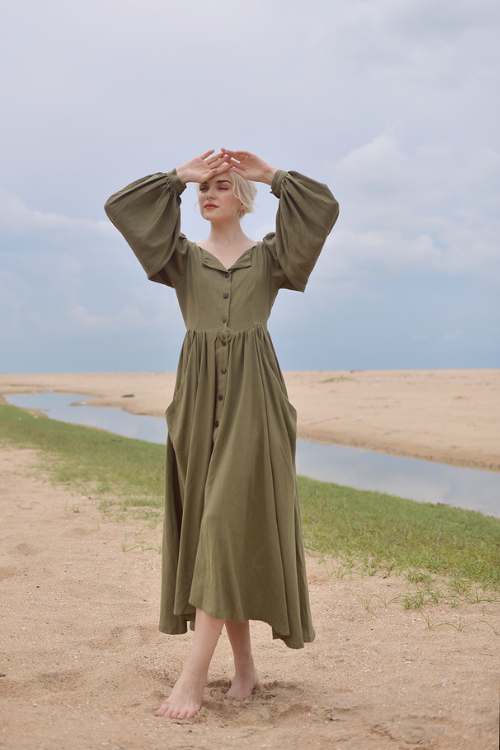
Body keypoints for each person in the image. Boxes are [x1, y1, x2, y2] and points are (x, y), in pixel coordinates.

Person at [104, 149, 339, 719]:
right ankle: (247, 671)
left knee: (222, 526)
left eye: (219, 186)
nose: (207, 195)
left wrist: (270, 175)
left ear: (242, 198)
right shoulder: (181, 259)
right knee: (215, 532)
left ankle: (191, 679)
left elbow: (322, 208)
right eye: (202, 188)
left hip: (256, 406)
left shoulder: (272, 259)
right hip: (195, 405)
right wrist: (176, 177)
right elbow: (120, 207)